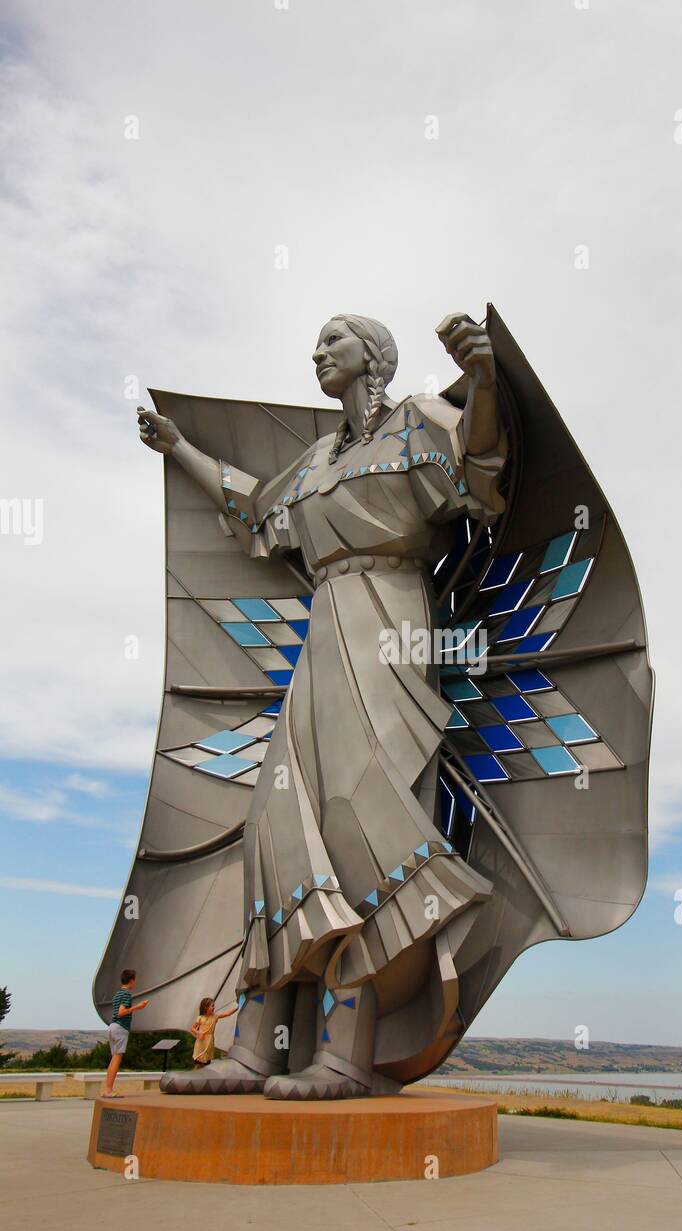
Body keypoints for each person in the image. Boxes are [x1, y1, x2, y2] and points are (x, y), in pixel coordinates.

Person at [143, 312, 507, 1100]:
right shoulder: (314, 461)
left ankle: (343, 1054)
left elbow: (480, 474)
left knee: (359, 826)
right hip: (324, 635)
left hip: (391, 623)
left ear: (371, 357)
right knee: (280, 827)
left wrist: (481, 379)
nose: (317, 352)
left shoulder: (419, 420)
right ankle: (253, 1049)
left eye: (332, 341)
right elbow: (255, 513)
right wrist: (182, 451)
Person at [103, 969, 149, 1097]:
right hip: (120, 1028)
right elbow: (121, 1012)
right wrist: (138, 1007)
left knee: (113, 1059)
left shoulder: (117, 994)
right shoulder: (126, 994)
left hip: (112, 1026)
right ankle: (108, 1091)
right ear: (131, 981)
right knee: (117, 1059)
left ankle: (107, 1088)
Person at [190, 998, 238, 1068]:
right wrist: (198, 1033)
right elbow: (192, 1028)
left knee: (207, 1062)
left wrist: (237, 1007)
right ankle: (196, 1074)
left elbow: (227, 1014)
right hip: (201, 1042)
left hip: (209, 1042)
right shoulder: (200, 1018)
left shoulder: (215, 1017)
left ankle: (204, 1075)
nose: (214, 1007)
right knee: (199, 1062)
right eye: (212, 1006)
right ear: (206, 1007)